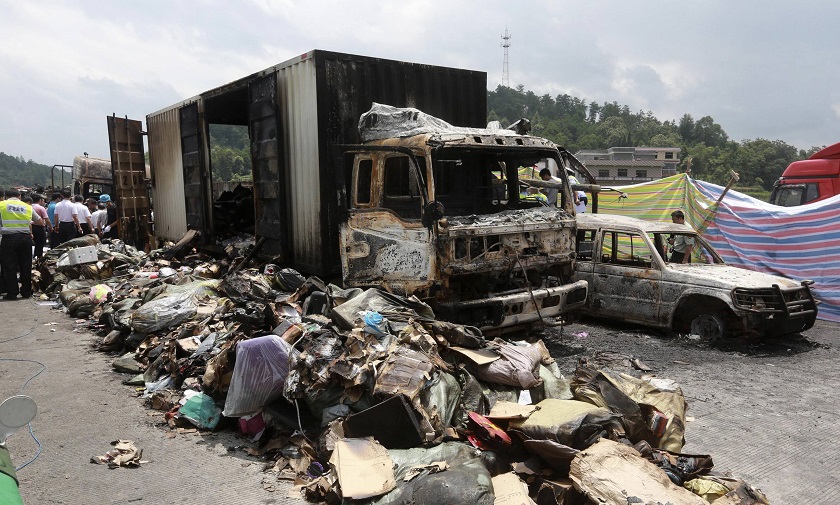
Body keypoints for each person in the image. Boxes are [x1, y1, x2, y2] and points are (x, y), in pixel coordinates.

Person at [0, 188, 43, 300]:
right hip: (25, 238)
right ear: (19, 196)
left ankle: (12, 293)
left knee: (10, 266)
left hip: (8, 238)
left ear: (6, 196)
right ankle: (26, 292)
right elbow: (40, 221)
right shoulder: (27, 207)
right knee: (26, 265)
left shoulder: (2, 205)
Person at [29, 194, 50, 260]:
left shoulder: (29, 207)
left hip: (30, 226)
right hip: (39, 227)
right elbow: (46, 219)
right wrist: (51, 227)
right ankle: (38, 256)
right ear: (40, 200)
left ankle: (32, 256)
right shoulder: (41, 208)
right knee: (40, 242)